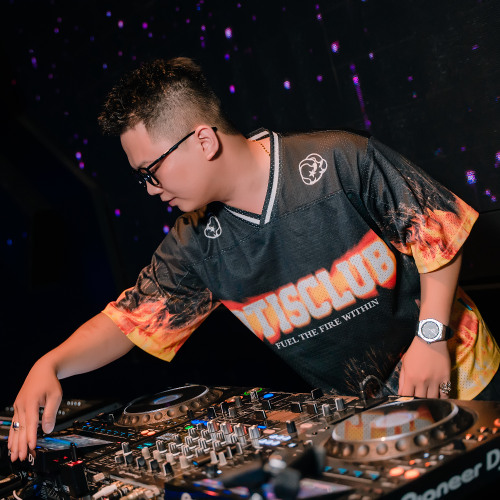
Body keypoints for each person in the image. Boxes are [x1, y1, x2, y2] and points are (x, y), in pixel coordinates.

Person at [8, 57, 499, 462]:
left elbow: (437, 228)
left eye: (151, 171)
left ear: (203, 140)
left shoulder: (338, 160)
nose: (151, 189)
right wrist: (51, 364)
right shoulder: (193, 243)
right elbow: (131, 320)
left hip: (466, 377)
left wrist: (431, 337)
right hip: (370, 420)